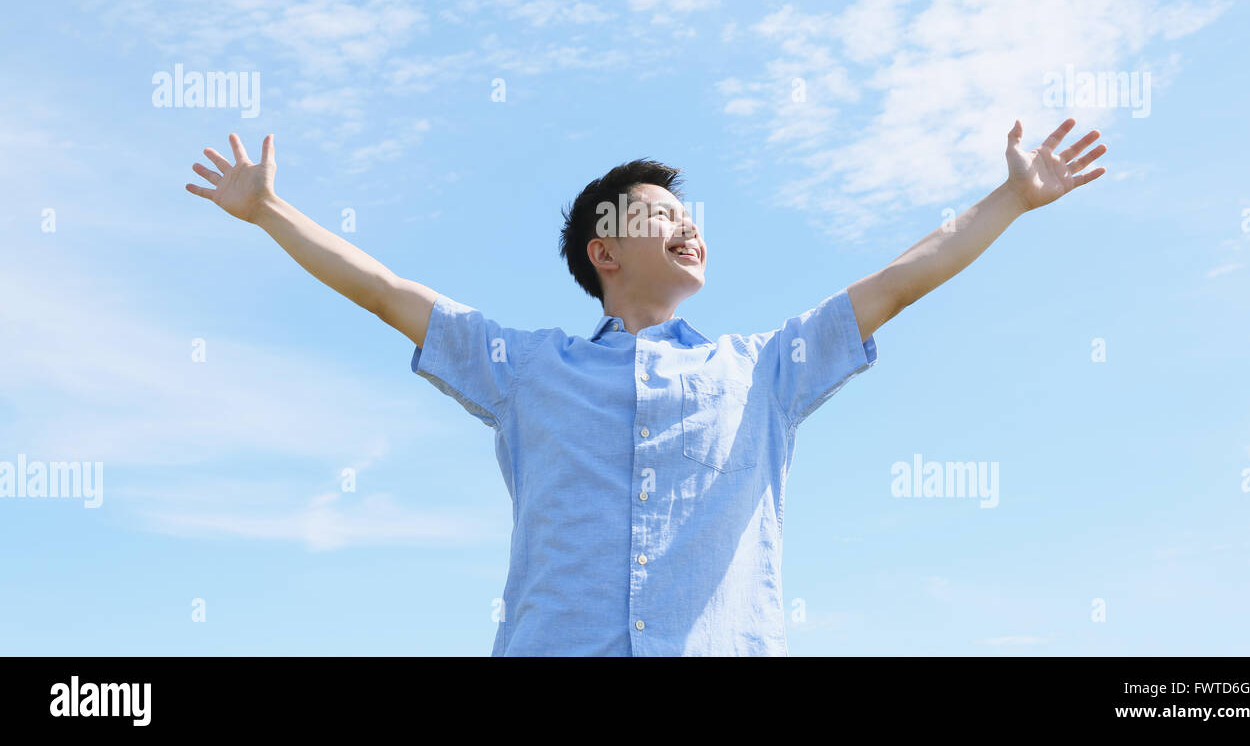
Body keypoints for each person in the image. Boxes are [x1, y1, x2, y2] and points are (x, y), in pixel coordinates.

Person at [185, 118, 1106, 655]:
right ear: (605, 251)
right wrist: (269, 210)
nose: (688, 227)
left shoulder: (764, 370)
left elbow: (898, 281)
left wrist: (1010, 201)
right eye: (662, 215)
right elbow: (388, 294)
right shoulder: (527, 370)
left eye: (692, 217)